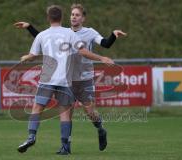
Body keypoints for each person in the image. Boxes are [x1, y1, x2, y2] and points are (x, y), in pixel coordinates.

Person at [14, 3, 127, 154]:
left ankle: (100, 129)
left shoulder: (89, 32)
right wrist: (29, 27)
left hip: (84, 78)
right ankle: (66, 146)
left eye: (77, 15)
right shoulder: (66, 32)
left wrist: (112, 35)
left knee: (89, 111)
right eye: (72, 14)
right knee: (67, 112)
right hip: (67, 78)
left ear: (83, 18)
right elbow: (46, 38)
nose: (74, 17)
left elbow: (105, 44)